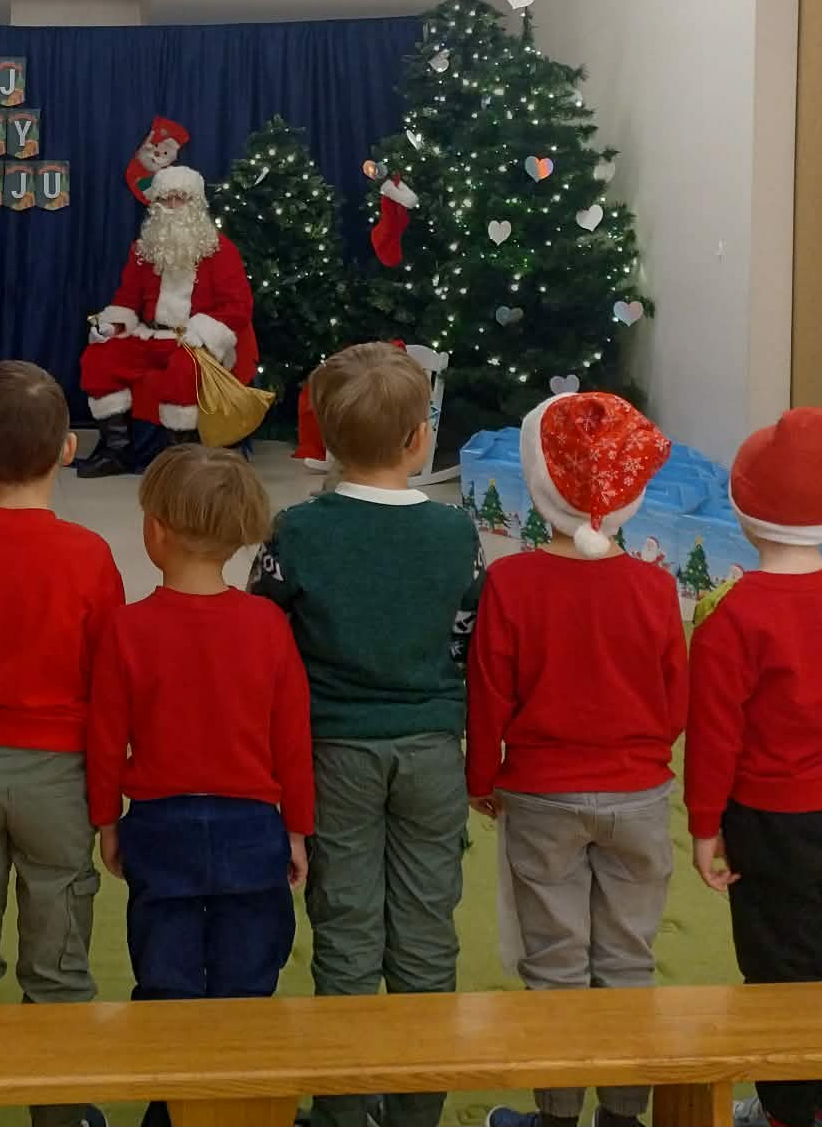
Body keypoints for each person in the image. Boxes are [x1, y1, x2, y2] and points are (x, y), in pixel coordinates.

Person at [247, 342, 483, 1127]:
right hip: (431, 751)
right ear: (420, 439)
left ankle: (344, 1111)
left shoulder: (297, 531)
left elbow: (267, 641)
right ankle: (417, 1109)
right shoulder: (456, 533)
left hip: (335, 752)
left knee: (346, 930)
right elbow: (469, 640)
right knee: (426, 931)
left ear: (324, 439)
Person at [467, 393, 684, 1127]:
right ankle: (622, 1115)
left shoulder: (511, 582)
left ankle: (557, 1115)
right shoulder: (656, 587)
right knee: (629, 959)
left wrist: (481, 777)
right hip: (639, 794)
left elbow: (488, 694)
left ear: (538, 483)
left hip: (540, 794)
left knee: (554, 962)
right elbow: (674, 701)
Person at [684, 409, 822, 1127]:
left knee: (779, 969)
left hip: (771, 820)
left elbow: (713, 736)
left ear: (743, 513)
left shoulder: (729, 614)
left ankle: (785, 1112)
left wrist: (704, 826)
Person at [89, 444, 309, 1127]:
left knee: (166, 982)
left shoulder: (127, 627)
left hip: (160, 827)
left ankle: (173, 1107)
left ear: (155, 531)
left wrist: (106, 821)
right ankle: (241, 1105)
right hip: (253, 829)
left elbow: (105, 739)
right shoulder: (268, 625)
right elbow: (292, 740)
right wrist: (297, 829)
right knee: (249, 981)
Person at [0, 361, 122, 1127]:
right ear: (69, 449)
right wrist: (106, 804)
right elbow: (108, 693)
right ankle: (61, 1112)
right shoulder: (90, 557)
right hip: (59, 782)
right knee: (60, 957)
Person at [77, 165, 256, 477]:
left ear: (195, 204)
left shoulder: (221, 251)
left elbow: (238, 307)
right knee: (100, 357)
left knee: (183, 368)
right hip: (152, 337)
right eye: (165, 199)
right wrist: (112, 325)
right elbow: (127, 300)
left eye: (180, 198)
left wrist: (202, 333)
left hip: (196, 341)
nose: (172, 207)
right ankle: (116, 450)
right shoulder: (143, 251)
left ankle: (180, 456)